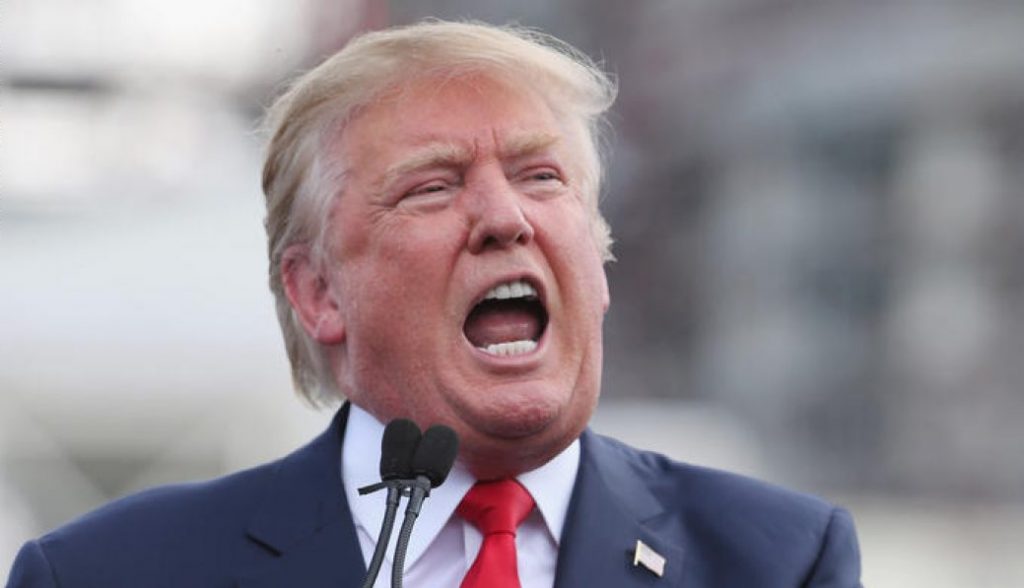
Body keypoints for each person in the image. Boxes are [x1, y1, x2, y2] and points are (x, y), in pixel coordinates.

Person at [6, 20, 861, 587]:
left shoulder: (777, 560)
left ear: (597, 270)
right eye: (432, 187)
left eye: (542, 178)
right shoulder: (108, 574)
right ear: (316, 293)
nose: (504, 218)